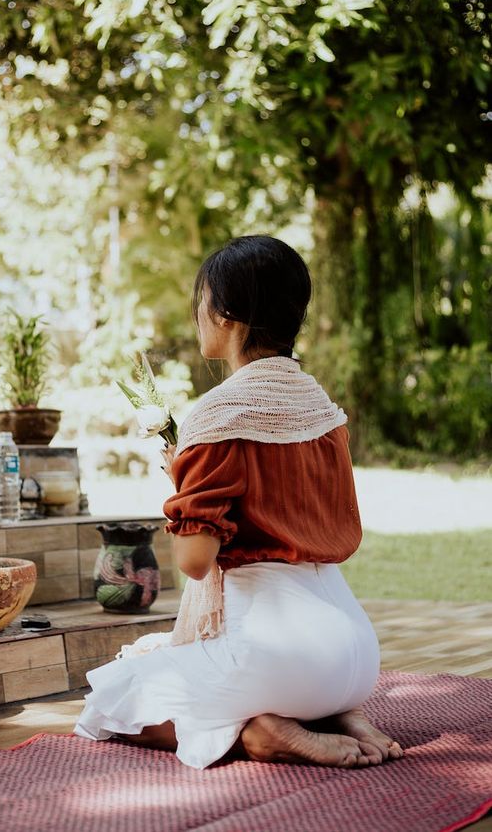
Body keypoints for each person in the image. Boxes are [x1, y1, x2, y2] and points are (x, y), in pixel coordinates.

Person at [74, 235, 404, 770]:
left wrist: (183, 486)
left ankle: (259, 732)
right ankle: (335, 714)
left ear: (226, 314)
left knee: (110, 700)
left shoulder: (218, 415)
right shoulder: (325, 413)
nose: (199, 314)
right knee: (175, 669)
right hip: (357, 656)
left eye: (202, 300)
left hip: (280, 659)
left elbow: (195, 563)